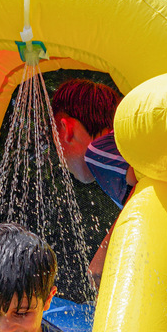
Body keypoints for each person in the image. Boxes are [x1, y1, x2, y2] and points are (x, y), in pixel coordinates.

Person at [51, 78, 135, 286]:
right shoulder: (117, 145)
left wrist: (104, 255)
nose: (61, 160)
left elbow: (145, 180)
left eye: (55, 141)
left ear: (65, 129)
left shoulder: (98, 151)